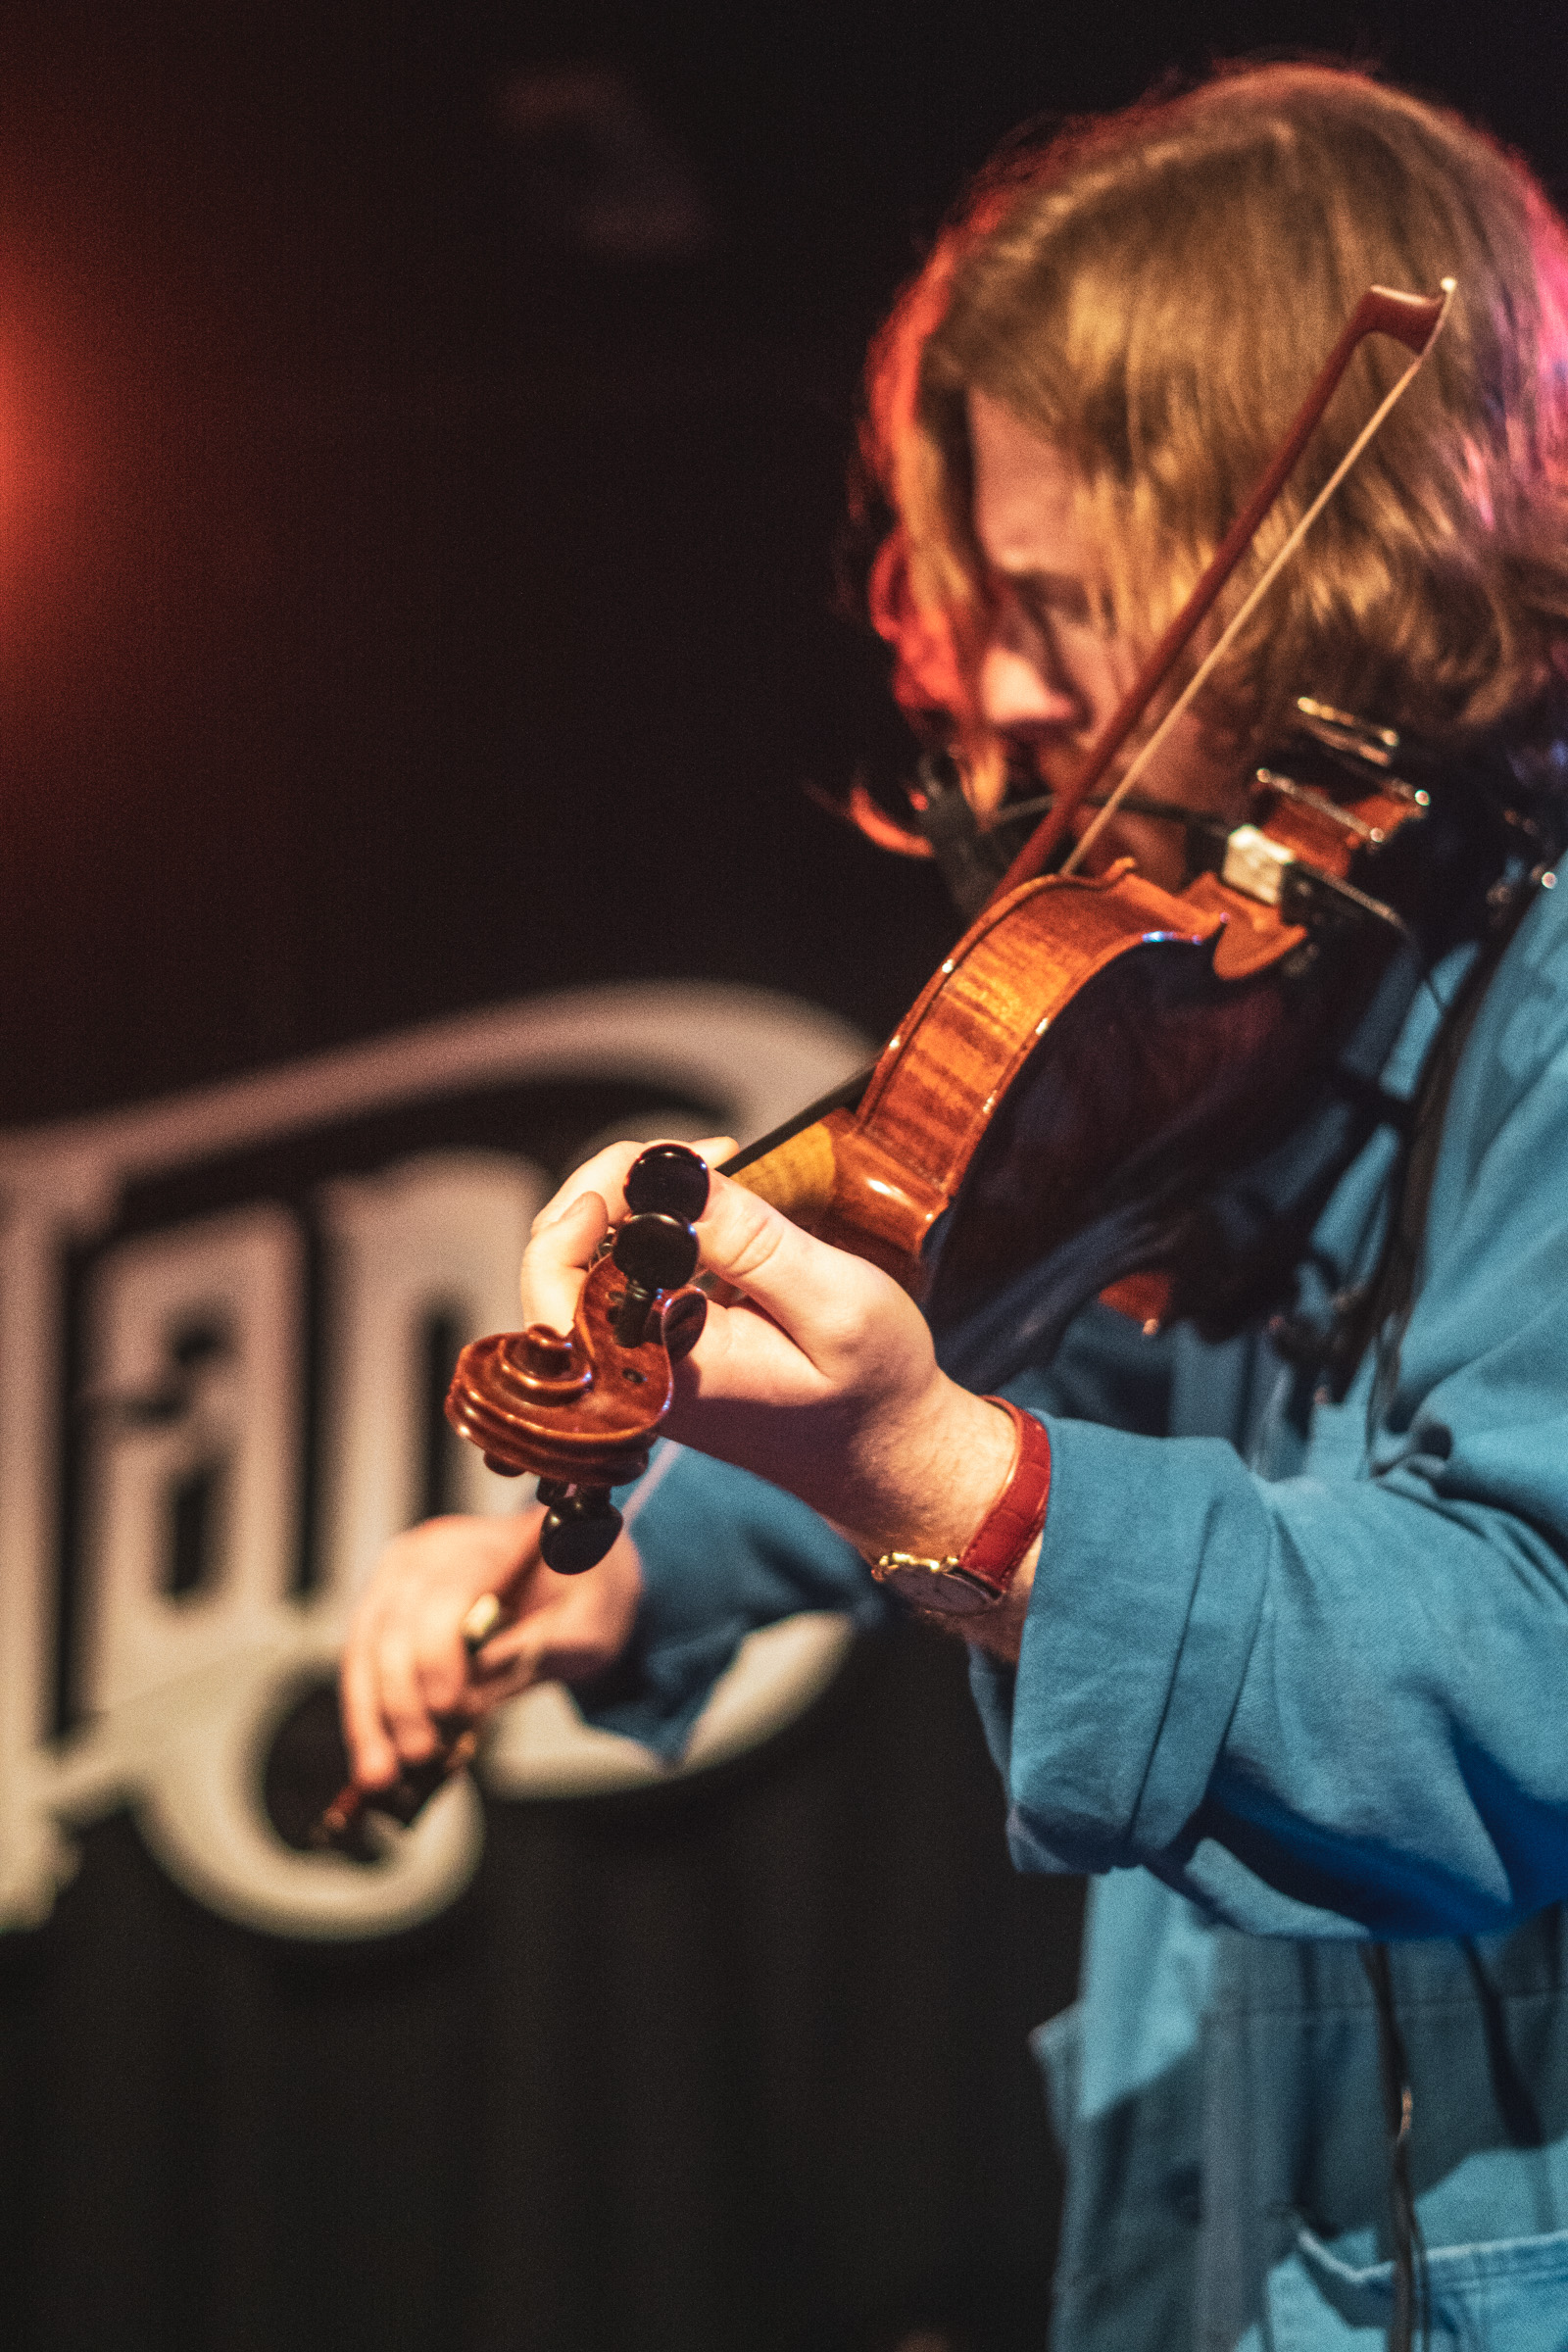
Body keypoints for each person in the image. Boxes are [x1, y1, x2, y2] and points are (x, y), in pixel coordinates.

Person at [340, 63, 1568, 2350]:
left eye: (1052, 600)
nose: (991, 699)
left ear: (1321, 528)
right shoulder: (1275, 1004)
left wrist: (947, 1484)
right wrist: (619, 1556)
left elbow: (1531, 1651)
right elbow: (1026, 1310)